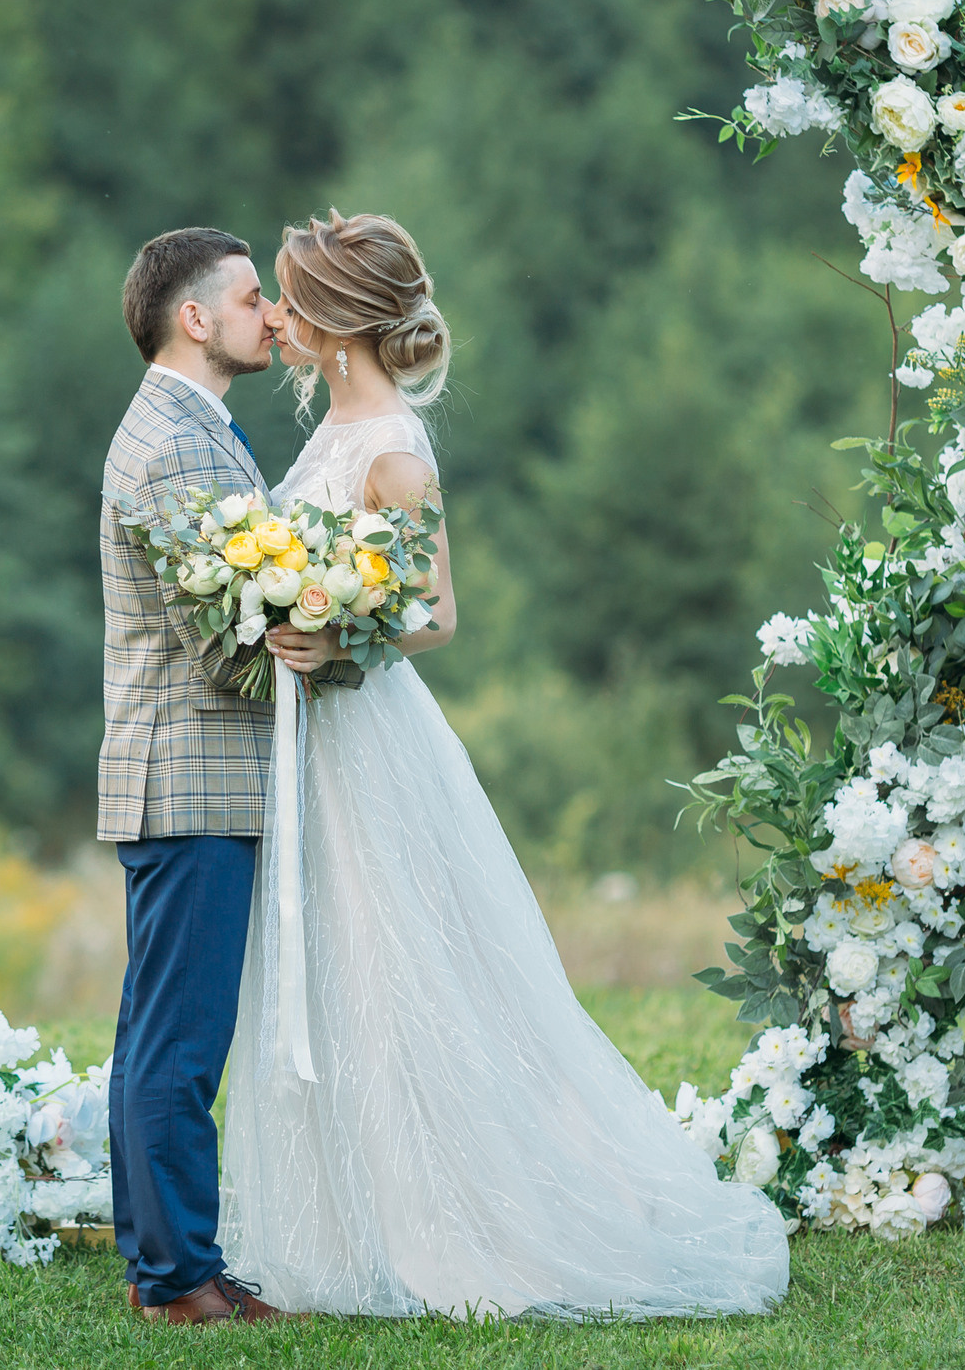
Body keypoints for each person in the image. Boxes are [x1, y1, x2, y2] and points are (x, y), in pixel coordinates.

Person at [220, 209, 793, 1318]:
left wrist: (335, 636)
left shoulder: (388, 444)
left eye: (290, 300)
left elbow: (435, 613)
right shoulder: (340, 424)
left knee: (400, 967)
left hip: (367, 736)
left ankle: (473, 1220)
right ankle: (346, 1223)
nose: (276, 320)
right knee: (335, 958)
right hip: (314, 741)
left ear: (336, 325)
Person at [96, 226, 295, 1325]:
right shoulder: (174, 444)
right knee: (177, 1042)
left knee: (157, 1034)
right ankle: (180, 1280)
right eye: (253, 297)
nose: (272, 316)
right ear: (195, 318)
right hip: (191, 778)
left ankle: (160, 1262)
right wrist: (331, 650)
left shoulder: (194, 431)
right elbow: (221, 641)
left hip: (192, 781)